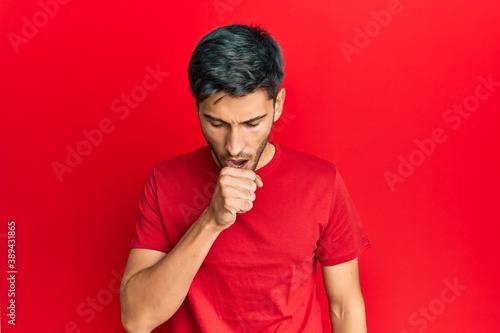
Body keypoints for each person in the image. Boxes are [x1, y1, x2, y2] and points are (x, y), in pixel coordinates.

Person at [120, 24, 370, 333]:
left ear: (277, 105)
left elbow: (344, 306)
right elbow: (137, 319)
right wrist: (211, 220)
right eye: (216, 123)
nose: (234, 146)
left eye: (252, 123)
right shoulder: (165, 181)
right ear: (198, 108)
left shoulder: (322, 182)